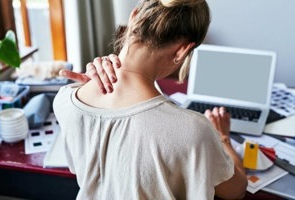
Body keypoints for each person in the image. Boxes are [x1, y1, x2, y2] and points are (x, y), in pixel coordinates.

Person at [53, 0, 248, 199]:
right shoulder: (195, 130)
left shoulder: (65, 101)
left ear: (133, 17)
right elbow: (236, 191)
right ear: (182, 51)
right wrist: (222, 138)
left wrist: (86, 85)